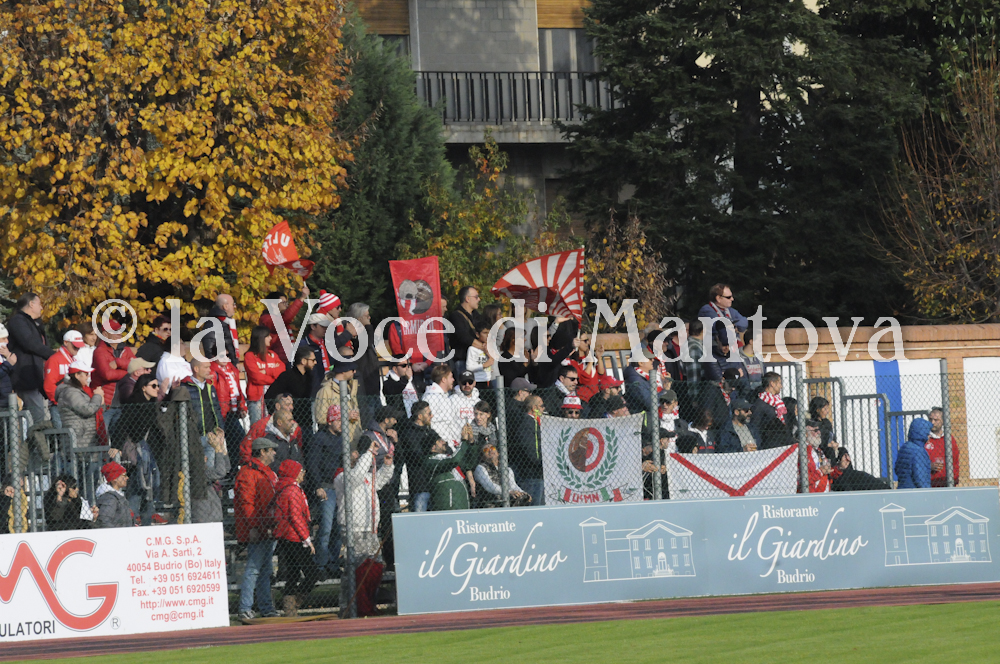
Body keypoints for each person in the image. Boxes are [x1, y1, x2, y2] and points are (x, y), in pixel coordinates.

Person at [334, 437, 394, 617]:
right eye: (354, 455)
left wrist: (387, 466)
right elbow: (355, 478)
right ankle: (353, 607)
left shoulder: (366, 477)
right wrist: (368, 453)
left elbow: (380, 480)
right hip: (355, 529)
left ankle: (367, 603)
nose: (357, 455)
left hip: (370, 529)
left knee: (376, 567)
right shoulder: (342, 477)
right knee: (358, 569)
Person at [235, 438, 280, 621]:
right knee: (254, 569)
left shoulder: (266, 472)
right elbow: (247, 503)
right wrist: (253, 526)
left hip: (267, 526)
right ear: (262, 452)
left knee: (265, 569)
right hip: (259, 527)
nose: (274, 453)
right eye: (271, 450)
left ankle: (266, 607)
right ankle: (245, 607)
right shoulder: (248, 473)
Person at [272, 459, 322, 617]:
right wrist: (306, 539)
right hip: (294, 537)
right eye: (300, 471)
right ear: (293, 473)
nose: (303, 473)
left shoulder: (286, 487)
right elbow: (295, 516)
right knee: (312, 572)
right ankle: (294, 603)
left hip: (287, 536)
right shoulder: (292, 490)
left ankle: (290, 607)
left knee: (293, 573)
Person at [114, 373, 163, 525]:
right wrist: (116, 446)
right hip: (137, 454)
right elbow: (121, 426)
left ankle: (146, 520)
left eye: (158, 386)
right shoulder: (133, 404)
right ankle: (132, 520)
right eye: (153, 386)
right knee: (137, 487)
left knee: (151, 485)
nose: (157, 388)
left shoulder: (153, 405)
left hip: (150, 453)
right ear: (143, 388)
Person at [307, 404, 344, 575]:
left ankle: (333, 563)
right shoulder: (319, 438)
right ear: (330, 421)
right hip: (326, 487)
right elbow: (312, 464)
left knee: (338, 528)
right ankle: (320, 565)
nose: (341, 423)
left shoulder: (342, 439)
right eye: (338, 420)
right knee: (326, 528)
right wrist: (317, 485)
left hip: (339, 488)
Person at [8, 293, 54, 423]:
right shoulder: (18, 321)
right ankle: (35, 435)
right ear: (31, 304)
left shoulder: (35, 324)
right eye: (39, 304)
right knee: (38, 416)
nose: (41, 308)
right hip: (25, 378)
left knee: (39, 415)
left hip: (37, 377)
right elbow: (30, 343)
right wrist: (53, 355)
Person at [55, 359, 105, 456]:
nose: (88, 376)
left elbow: (93, 408)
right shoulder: (70, 392)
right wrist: (97, 396)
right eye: (86, 374)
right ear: (77, 375)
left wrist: (100, 401)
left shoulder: (79, 391)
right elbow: (87, 410)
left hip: (85, 438)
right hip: (79, 440)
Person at [266, 346, 316, 436]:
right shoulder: (287, 376)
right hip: (290, 424)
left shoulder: (309, 377)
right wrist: (280, 414)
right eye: (313, 360)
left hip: (307, 423)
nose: (315, 362)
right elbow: (269, 397)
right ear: (303, 361)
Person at [312, 359, 362, 446]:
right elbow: (320, 418)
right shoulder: (326, 391)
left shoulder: (351, 388)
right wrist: (345, 416)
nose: (354, 372)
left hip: (355, 438)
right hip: (337, 442)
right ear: (343, 371)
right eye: (352, 369)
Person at [398, 400, 436, 513]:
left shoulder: (429, 431)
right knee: (420, 516)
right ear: (420, 416)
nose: (432, 416)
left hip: (434, 483)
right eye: (429, 413)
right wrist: (434, 452)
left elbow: (445, 447)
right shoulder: (409, 433)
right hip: (419, 484)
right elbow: (418, 456)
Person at [424, 433, 479, 511]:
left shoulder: (448, 457)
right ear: (433, 447)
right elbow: (454, 460)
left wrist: (471, 442)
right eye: (440, 441)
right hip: (448, 506)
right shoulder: (431, 460)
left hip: (462, 503)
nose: (444, 442)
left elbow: (469, 463)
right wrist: (463, 441)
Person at [259, 285, 310, 367]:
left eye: (286, 302)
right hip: (277, 361)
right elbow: (286, 319)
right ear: (273, 304)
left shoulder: (279, 318)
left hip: (287, 360)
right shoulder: (267, 319)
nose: (286, 305)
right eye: (283, 302)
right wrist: (301, 298)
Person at [244, 325, 284, 424]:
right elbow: (256, 377)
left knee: (275, 424)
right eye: (268, 336)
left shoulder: (273, 355)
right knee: (258, 426)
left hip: (274, 396)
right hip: (257, 399)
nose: (270, 338)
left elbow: (282, 371)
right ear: (261, 338)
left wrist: (266, 371)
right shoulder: (250, 356)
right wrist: (274, 377)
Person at [91, 321, 135, 407]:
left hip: (124, 402)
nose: (119, 333)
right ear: (105, 334)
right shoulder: (99, 351)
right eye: (115, 331)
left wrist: (118, 362)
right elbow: (108, 375)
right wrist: (129, 372)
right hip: (105, 403)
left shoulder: (126, 350)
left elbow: (138, 366)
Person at [192, 428, 231, 524]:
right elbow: (220, 472)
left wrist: (221, 446)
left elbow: (226, 469)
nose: (206, 458)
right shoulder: (197, 472)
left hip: (213, 517)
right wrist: (217, 449)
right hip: (204, 519)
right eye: (203, 457)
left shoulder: (206, 471)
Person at [513, 394, 546, 505]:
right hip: (531, 474)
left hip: (537, 473)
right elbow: (530, 448)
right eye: (541, 406)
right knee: (534, 505)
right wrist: (541, 462)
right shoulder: (527, 423)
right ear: (534, 408)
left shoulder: (535, 423)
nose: (543, 409)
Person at [212, 352, 247, 449]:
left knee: (237, 440)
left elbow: (238, 390)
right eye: (221, 356)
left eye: (227, 356)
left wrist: (242, 407)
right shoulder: (212, 371)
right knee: (235, 439)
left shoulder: (232, 370)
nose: (225, 358)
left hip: (231, 411)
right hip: (221, 412)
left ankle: (234, 459)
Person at [751, 372, 793, 450]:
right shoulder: (760, 403)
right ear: (772, 383)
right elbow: (756, 426)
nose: (781, 386)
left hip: (784, 442)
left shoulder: (778, 402)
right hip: (770, 445)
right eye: (779, 383)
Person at [447, 286, 481, 375]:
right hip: (462, 361)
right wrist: (483, 347)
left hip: (477, 360)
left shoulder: (476, 316)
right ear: (467, 299)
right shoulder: (456, 316)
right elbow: (464, 337)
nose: (479, 299)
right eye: (476, 297)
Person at [43, 329, 84, 403]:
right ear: (66, 342)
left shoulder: (74, 359)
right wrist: (59, 401)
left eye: (79, 346)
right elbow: (49, 385)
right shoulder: (54, 360)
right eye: (75, 346)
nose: (78, 349)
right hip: (61, 404)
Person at [424, 364, 461, 444]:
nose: (453, 380)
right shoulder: (431, 397)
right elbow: (428, 422)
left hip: (450, 441)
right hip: (438, 443)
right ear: (444, 379)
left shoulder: (445, 396)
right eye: (451, 377)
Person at [927, 407, 961, 487]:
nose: (932, 422)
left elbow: (955, 461)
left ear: (942, 421)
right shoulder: (925, 439)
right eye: (930, 419)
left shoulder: (949, 439)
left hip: (947, 483)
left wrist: (954, 479)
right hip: (930, 484)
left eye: (936, 420)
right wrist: (929, 466)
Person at [300, 313, 333, 396]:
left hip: (329, 386)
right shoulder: (303, 345)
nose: (325, 329)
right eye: (322, 326)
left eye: (326, 327)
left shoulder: (328, 344)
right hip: (311, 389)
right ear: (313, 326)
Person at [202, 294, 240, 363]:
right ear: (225, 306)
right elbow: (210, 352)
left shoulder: (227, 322)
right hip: (221, 365)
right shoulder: (212, 324)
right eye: (233, 304)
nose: (235, 306)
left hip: (230, 364)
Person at [896, 418, 933, 489]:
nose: (929, 435)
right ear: (922, 433)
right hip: (914, 491)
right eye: (927, 433)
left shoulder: (904, 447)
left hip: (902, 488)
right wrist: (928, 492)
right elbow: (921, 478)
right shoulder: (919, 451)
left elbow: (897, 469)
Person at [96, 462, 132, 528]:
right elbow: (104, 521)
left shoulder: (115, 496)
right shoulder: (110, 498)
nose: (127, 478)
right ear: (114, 478)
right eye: (124, 475)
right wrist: (117, 532)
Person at [803, 420, 832, 493]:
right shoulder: (803, 452)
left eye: (819, 430)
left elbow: (827, 471)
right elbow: (804, 479)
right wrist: (821, 471)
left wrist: (838, 468)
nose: (819, 432)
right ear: (806, 434)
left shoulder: (819, 450)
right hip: (812, 495)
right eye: (815, 431)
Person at [465, 325, 495, 391]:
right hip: (477, 381)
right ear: (477, 334)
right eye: (485, 333)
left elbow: (492, 361)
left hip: (488, 380)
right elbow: (469, 368)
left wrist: (487, 351)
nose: (488, 335)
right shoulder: (472, 349)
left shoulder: (490, 348)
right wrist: (483, 365)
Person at [0, 323, 18, 403]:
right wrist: (8, 364)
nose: (6, 341)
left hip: (6, 399)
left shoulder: (3, 356)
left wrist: (8, 356)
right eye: (3, 339)